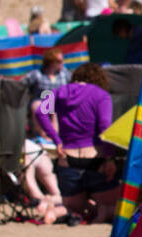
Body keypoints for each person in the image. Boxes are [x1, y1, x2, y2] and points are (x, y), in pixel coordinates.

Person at [31, 62, 120, 224]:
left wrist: (56, 140)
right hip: (95, 158)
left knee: (73, 208)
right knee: (115, 205)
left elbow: (40, 112)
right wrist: (110, 158)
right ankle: (104, 210)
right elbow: (105, 128)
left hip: (68, 160)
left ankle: (55, 212)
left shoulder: (57, 92)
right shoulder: (101, 95)